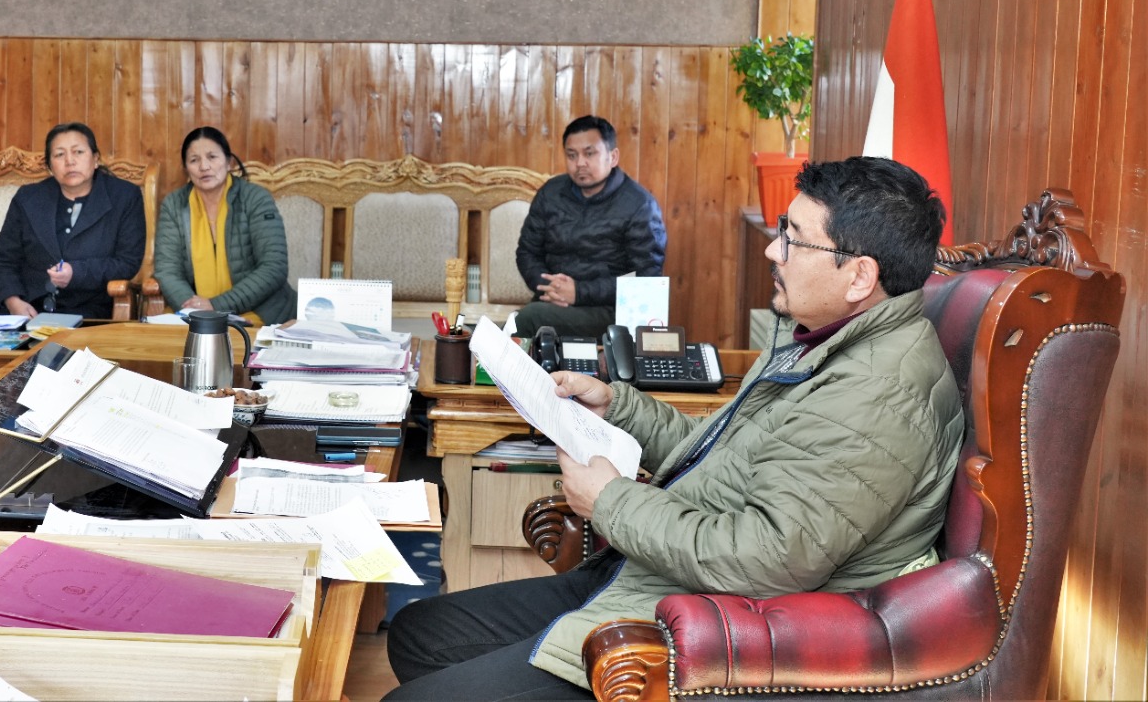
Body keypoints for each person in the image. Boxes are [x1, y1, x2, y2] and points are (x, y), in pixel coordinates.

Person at [388, 157, 965, 699]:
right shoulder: (824, 337)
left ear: (859, 275)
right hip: (659, 574)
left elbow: (764, 559)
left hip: (704, 628)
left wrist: (609, 502)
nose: (772, 252)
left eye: (792, 238)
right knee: (418, 633)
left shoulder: (875, 396)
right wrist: (618, 406)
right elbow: (728, 452)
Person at [513, 115, 666, 339]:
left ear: (613, 157)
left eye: (589, 153)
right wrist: (551, 288)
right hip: (555, 302)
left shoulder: (640, 205)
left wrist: (580, 293)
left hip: (611, 311)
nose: (580, 163)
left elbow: (645, 279)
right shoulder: (551, 193)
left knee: (528, 319)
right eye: (572, 155)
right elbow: (527, 252)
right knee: (514, 325)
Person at [0, 122, 146, 321]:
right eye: (59, 154)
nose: (69, 161)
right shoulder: (28, 198)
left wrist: (76, 273)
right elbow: (3, 261)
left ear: (95, 159)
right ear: (49, 167)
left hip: (87, 310)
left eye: (78, 152)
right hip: (23, 307)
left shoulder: (124, 197)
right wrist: (13, 301)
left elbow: (127, 263)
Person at [153, 127, 297, 326]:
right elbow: (167, 270)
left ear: (228, 162)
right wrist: (194, 310)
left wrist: (216, 305)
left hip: (258, 310)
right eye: (194, 160)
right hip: (193, 312)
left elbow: (274, 267)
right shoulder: (174, 204)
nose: (204, 166)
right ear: (186, 168)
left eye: (212, 157)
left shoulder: (255, 198)